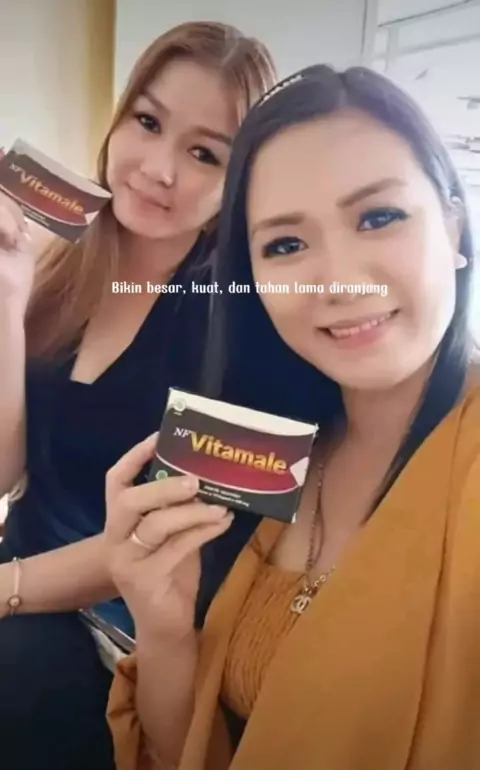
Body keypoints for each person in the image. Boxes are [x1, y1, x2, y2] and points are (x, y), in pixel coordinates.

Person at [105, 64, 480, 770]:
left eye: (379, 217)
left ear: (454, 224)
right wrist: (163, 628)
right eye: (285, 245)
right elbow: (189, 751)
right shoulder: (270, 451)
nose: (339, 279)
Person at [0, 21, 280, 770]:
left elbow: (167, 545)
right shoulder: (66, 253)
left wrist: (8, 588)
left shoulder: (243, 323)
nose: (159, 170)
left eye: (204, 153)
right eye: (149, 123)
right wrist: (8, 300)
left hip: (129, 631)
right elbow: (5, 472)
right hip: (19, 577)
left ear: (243, 178)